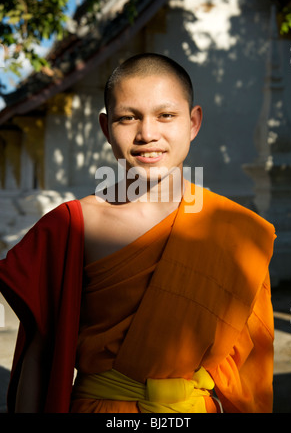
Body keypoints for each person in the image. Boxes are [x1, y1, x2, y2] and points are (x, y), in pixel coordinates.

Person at [0, 53, 276, 413]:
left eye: (166, 115)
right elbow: (39, 356)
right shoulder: (72, 225)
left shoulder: (238, 230)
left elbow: (251, 368)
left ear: (193, 123)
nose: (147, 134)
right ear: (105, 127)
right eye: (128, 118)